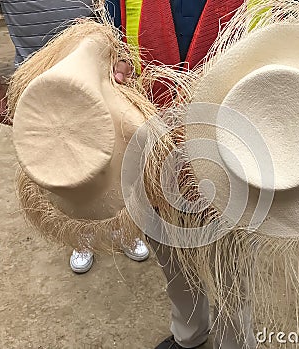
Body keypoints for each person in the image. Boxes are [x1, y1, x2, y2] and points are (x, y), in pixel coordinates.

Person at [111, 1, 255, 348]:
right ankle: (189, 335)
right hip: (154, 167)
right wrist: (113, 72)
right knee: (174, 264)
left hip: (229, 170)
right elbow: (113, 51)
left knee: (231, 270)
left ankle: (237, 342)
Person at [1, 0, 149, 274]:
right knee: (60, 165)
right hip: (36, 82)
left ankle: (125, 227)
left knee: (111, 151)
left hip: (92, 74)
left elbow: (114, 10)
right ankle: (81, 237)